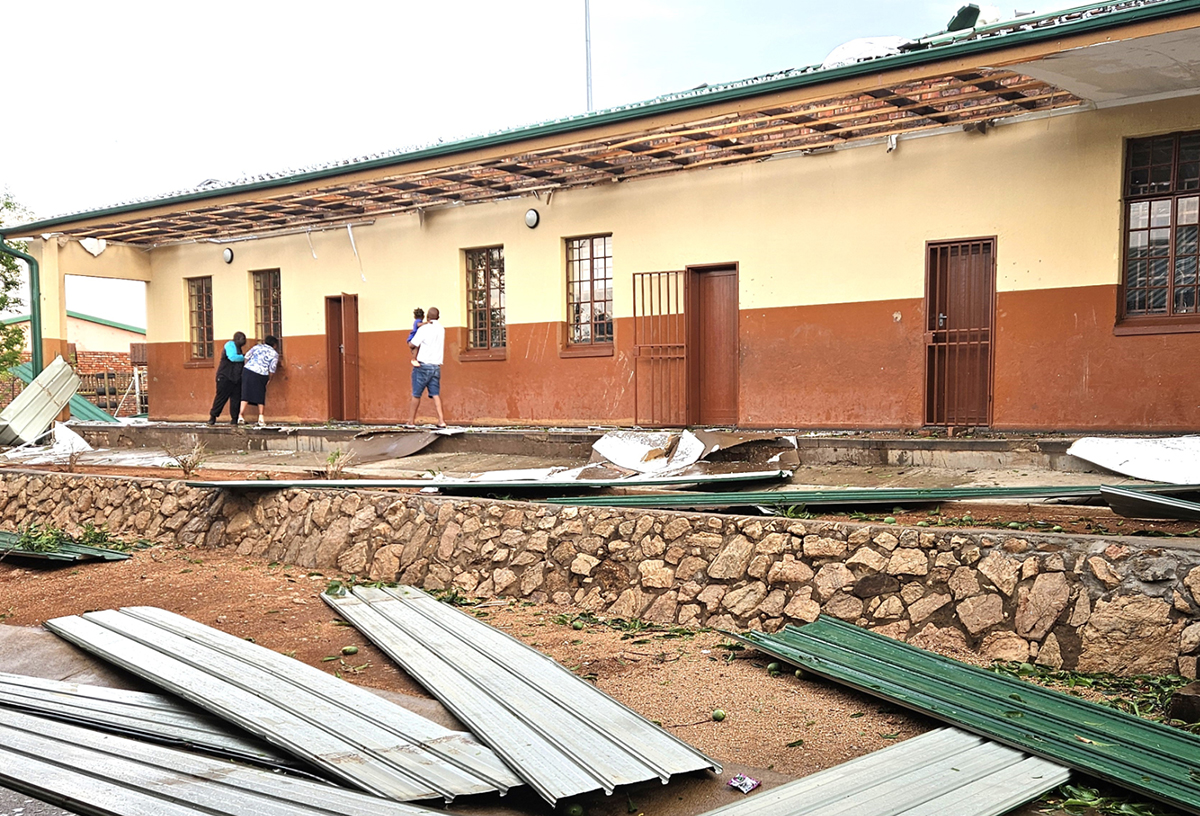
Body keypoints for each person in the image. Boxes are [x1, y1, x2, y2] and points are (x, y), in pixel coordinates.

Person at [408, 307, 446, 428]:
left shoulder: (424, 329)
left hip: (423, 365)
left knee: (416, 394)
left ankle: (410, 421)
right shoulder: (441, 329)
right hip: (436, 366)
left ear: (427, 317)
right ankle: (441, 421)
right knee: (435, 394)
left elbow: (413, 343)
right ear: (438, 317)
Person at [238, 336, 280, 427]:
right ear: (275, 345)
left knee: (245, 393)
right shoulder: (274, 354)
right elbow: (272, 369)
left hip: (248, 370)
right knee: (260, 395)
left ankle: (240, 416)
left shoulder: (257, 347)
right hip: (261, 374)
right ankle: (261, 418)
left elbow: (247, 356)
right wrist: (269, 379)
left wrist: (247, 367)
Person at [208, 332, 246, 425]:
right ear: (237, 339)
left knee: (236, 399)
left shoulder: (238, 348)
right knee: (221, 398)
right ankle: (213, 417)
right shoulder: (230, 345)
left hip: (236, 378)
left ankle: (234, 419)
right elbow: (232, 357)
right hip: (225, 377)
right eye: (242, 339)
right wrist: (244, 357)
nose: (244, 341)